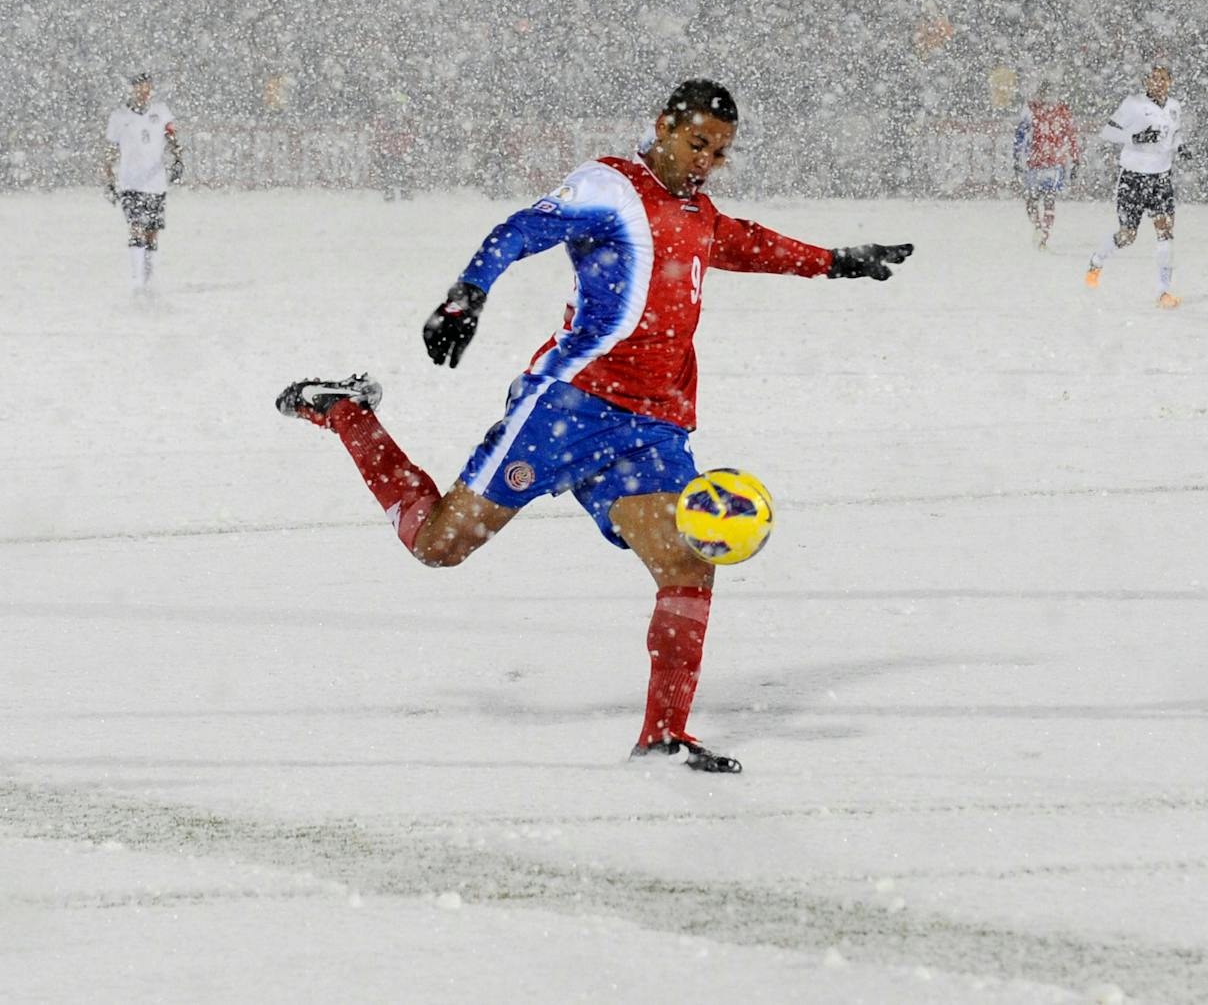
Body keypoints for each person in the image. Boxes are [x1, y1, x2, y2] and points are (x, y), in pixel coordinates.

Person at [275, 79, 913, 774]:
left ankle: (664, 737)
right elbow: (521, 229)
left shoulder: (697, 211)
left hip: (651, 426)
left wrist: (835, 263)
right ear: (664, 126)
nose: (706, 161)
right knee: (438, 546)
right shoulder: (610, 186)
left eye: (721, 153)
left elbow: (746, 244)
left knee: (687, 561)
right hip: (568, 409)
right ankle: (344, 413)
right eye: (697, 143)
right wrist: (467, 294)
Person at [1084, 62, 1183, 307]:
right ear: (1146, 81)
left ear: (1170, 81)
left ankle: (1163, 292)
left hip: (1161, 178)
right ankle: (1097, 260)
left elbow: (1175, 133)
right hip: (1133, 178)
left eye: (1163, 78)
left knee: (1165, 232)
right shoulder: (1133, 104)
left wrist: (1181, 146)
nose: (1158, 83)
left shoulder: (1173, 107)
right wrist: (1135, 137)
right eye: (1153, 78)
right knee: (1128, 236)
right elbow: (1108, 131)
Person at [103, 72, 182, 293]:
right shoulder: (119, 117)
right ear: (132, 89)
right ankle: (136, 278)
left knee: (152, 231)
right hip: (131, 183)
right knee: (136, 227)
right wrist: (109, 179)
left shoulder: (161, 112)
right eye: (139, 87)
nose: (144, 92)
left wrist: (178, 158)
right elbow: (110, 150)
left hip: (156, 182)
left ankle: (150, 276)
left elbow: (172, 137)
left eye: (147, 87)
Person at [1013, 83, 1081, 249]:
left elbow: (1020, 136)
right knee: (1040, 199)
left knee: (1041, 199)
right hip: (1041, 162)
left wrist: (1075, 160)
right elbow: (1020, 135)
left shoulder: (1051, 111)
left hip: (1048, 162)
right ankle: (1041, 230)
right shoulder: (1038, 110)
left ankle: (1041, 231)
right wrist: (1075, 159)